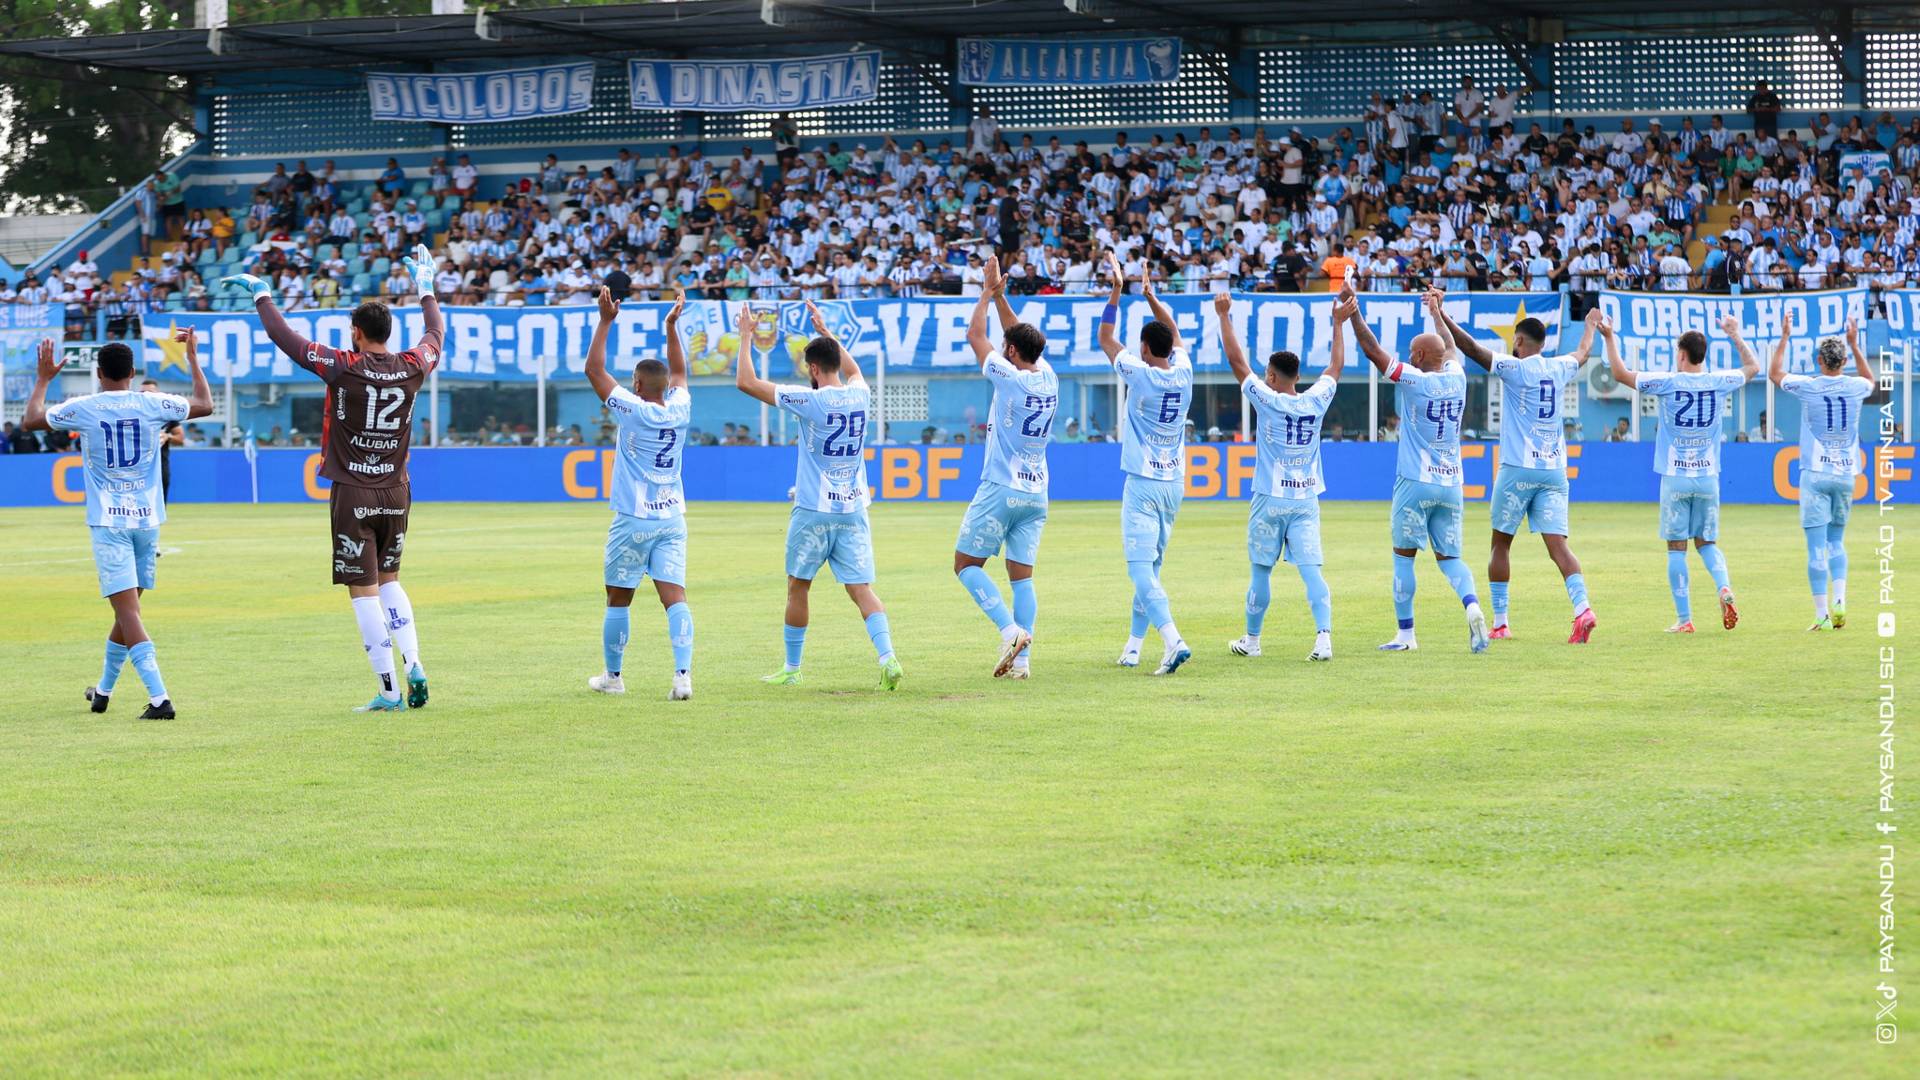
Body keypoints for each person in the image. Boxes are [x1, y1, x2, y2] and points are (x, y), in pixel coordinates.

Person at [220, 245, 443, 711]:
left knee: (363, 592)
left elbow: (288, 339)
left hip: (353, 491)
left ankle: (388, 690)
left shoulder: (344, 365)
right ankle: (415, 662)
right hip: (397, 490)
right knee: (391, 579)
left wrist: (263, 295)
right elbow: (435, 333)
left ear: (357, 334)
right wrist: (426, 288)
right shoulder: (413, 365)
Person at [22, 334, 212, 719]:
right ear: (132, 373)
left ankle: (160, 699)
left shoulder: (85, 407)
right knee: (128, 613)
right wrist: (191, 358)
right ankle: (103, 692)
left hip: (109, 522)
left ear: (98, 373)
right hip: (147, 521)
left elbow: (30, 421)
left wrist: (43, 379)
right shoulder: (153, 403)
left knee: (129, 614)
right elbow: (205, 405)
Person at [733, 298, 901, 690]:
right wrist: (827, 331)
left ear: (811, 369)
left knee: (798, 585)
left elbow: (746, 383)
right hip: (854, 508)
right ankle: (888, 657)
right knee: (861, 589)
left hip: (813, 509)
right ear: (837, 363)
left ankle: (792, 668)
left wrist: (745, 337)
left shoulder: (809, 400)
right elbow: (855, 369)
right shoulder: (860, 394)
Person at [1437, 306, 1601, 643]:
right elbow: (1584, 353)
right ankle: (1583, 608)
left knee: (1500, 544)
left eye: (1515, 341)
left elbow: (1469, 347)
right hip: (1554, 469)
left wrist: (1441, 314)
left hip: (1517, 469)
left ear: (1521, 340)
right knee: (1559, 548)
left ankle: (1501, 622)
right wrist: (1590, 326)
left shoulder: (1513, 368)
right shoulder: (1559, 367)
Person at [1349, 288, 1489, 653]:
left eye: (1413, 350)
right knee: (1452, 559)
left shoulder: (1415, 379)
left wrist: (1354, 313)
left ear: (1420, 356)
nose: (1409, 355)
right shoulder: (1457, 376)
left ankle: (1406, 635)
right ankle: (1472, 605)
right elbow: (1451, 346)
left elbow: (1373, 351)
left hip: (1415, 481)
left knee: (1403, 557)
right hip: (1452, 482)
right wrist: (1436, 312)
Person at [1603, 312, 1759, 633]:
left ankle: (1685, 620)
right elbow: (1753, 368)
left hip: (1675, 477)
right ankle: (1723, 588)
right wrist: (1734, 334)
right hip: (1708, 477)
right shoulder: (1718, 382)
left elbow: (1619, 373)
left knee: (1676, 548)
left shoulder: (1668, 382)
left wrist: (1608, 337)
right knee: (1708, 543)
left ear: (1682, 354)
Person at [1219, 289, 1352, 663]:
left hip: (1269, 499)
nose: (1264, 378)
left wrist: (1224, 316)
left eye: (1267, 375)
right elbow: (1335, 367)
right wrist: (1338, 324)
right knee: (1312, 571)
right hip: (1306, 499)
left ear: (1274, 377)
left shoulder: (1268, 399)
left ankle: (1252, 640)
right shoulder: (1317, 400)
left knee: (1261, 572)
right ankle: (1323, 638)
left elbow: (1235, 361)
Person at [584, 285, 694, 700]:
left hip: (633, 517)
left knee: (618, 598)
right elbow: (680, 374)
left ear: (636, 383)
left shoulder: (633, 410)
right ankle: (682, 677)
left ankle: (613, 677)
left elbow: (594, 371)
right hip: (671, 518)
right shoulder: (680, 408)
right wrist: (671, 327)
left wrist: (606, 321)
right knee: (675, 596)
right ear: (665, 386)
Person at [954, 255, 1056, 680]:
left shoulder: (1006, 375)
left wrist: (985, 293)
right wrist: (1002, 297)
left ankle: (1010, 631)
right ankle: (1023, 664)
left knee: (966, 565)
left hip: (1001, 486)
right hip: (1037, 492)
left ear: (1011, 352)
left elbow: (974, 334)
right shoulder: (1049, 376)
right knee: (1021, 577)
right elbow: (1015, 334)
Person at [1096, 251, 1193, 676]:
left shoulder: (1140, 373)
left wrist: (1117, 292)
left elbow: (1104, 337)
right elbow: (1175, 333)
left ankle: (1173, 640)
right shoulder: (1184, 371)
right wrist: (1153, 297)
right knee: (1149, 570)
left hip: (1143, 482)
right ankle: (1134, 646)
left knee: (1139, 570)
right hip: (1174, 484)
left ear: (1143, 347)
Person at [1771, 312, 1877, 630]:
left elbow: (1775, 373)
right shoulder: (1857, 386)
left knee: (1816, 546)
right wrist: (1857, 346)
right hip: (1846, 475)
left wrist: (1786, 335)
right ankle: (1841, 600)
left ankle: (1822, 615)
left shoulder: (1809, 385)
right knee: (1837, 541)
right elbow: (1873, 382)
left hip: (1815, 474)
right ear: (1844, 360)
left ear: (1819, 360)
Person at [139, 378, 186, 501]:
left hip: (160, 463)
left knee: (160, 499)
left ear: (157, 393)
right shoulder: (132, 413)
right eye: (142, 393)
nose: (146, 396)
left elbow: (180, 438)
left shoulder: (167, 414)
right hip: (136, 465)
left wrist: (168, 436)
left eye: (150, 392)